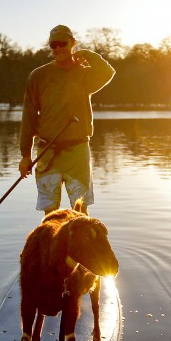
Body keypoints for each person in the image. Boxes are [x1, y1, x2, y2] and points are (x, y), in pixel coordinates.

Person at [19, 24, 115, 215]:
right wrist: (25, 155)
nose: (57, 48)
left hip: (77, 151)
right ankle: (51, 244)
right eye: (53, 45)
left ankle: (80, 244)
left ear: (72, 43)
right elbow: (28, 116)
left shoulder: (84, 74)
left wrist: (87, 54)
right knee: (51, 214)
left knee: (80, 212)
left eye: (62, 43)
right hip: (47, 151)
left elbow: (108, 72)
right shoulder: (38, 76)